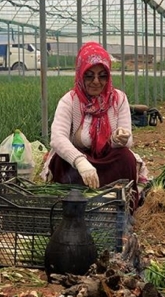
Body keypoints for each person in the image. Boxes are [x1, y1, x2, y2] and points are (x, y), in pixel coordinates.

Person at [46, 42, 138, 192]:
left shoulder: (118, 99)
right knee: (59, 159)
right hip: (78, 166)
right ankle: (70, 200)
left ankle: (120, 200)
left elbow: (128, 141)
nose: (96, 81)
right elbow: (57, 138)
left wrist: (118, 139)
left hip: (108, 160)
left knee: (126, 158)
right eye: (89, 76)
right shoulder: (70, 100)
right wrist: (79, 161)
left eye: (102, 76)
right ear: (80, 74)